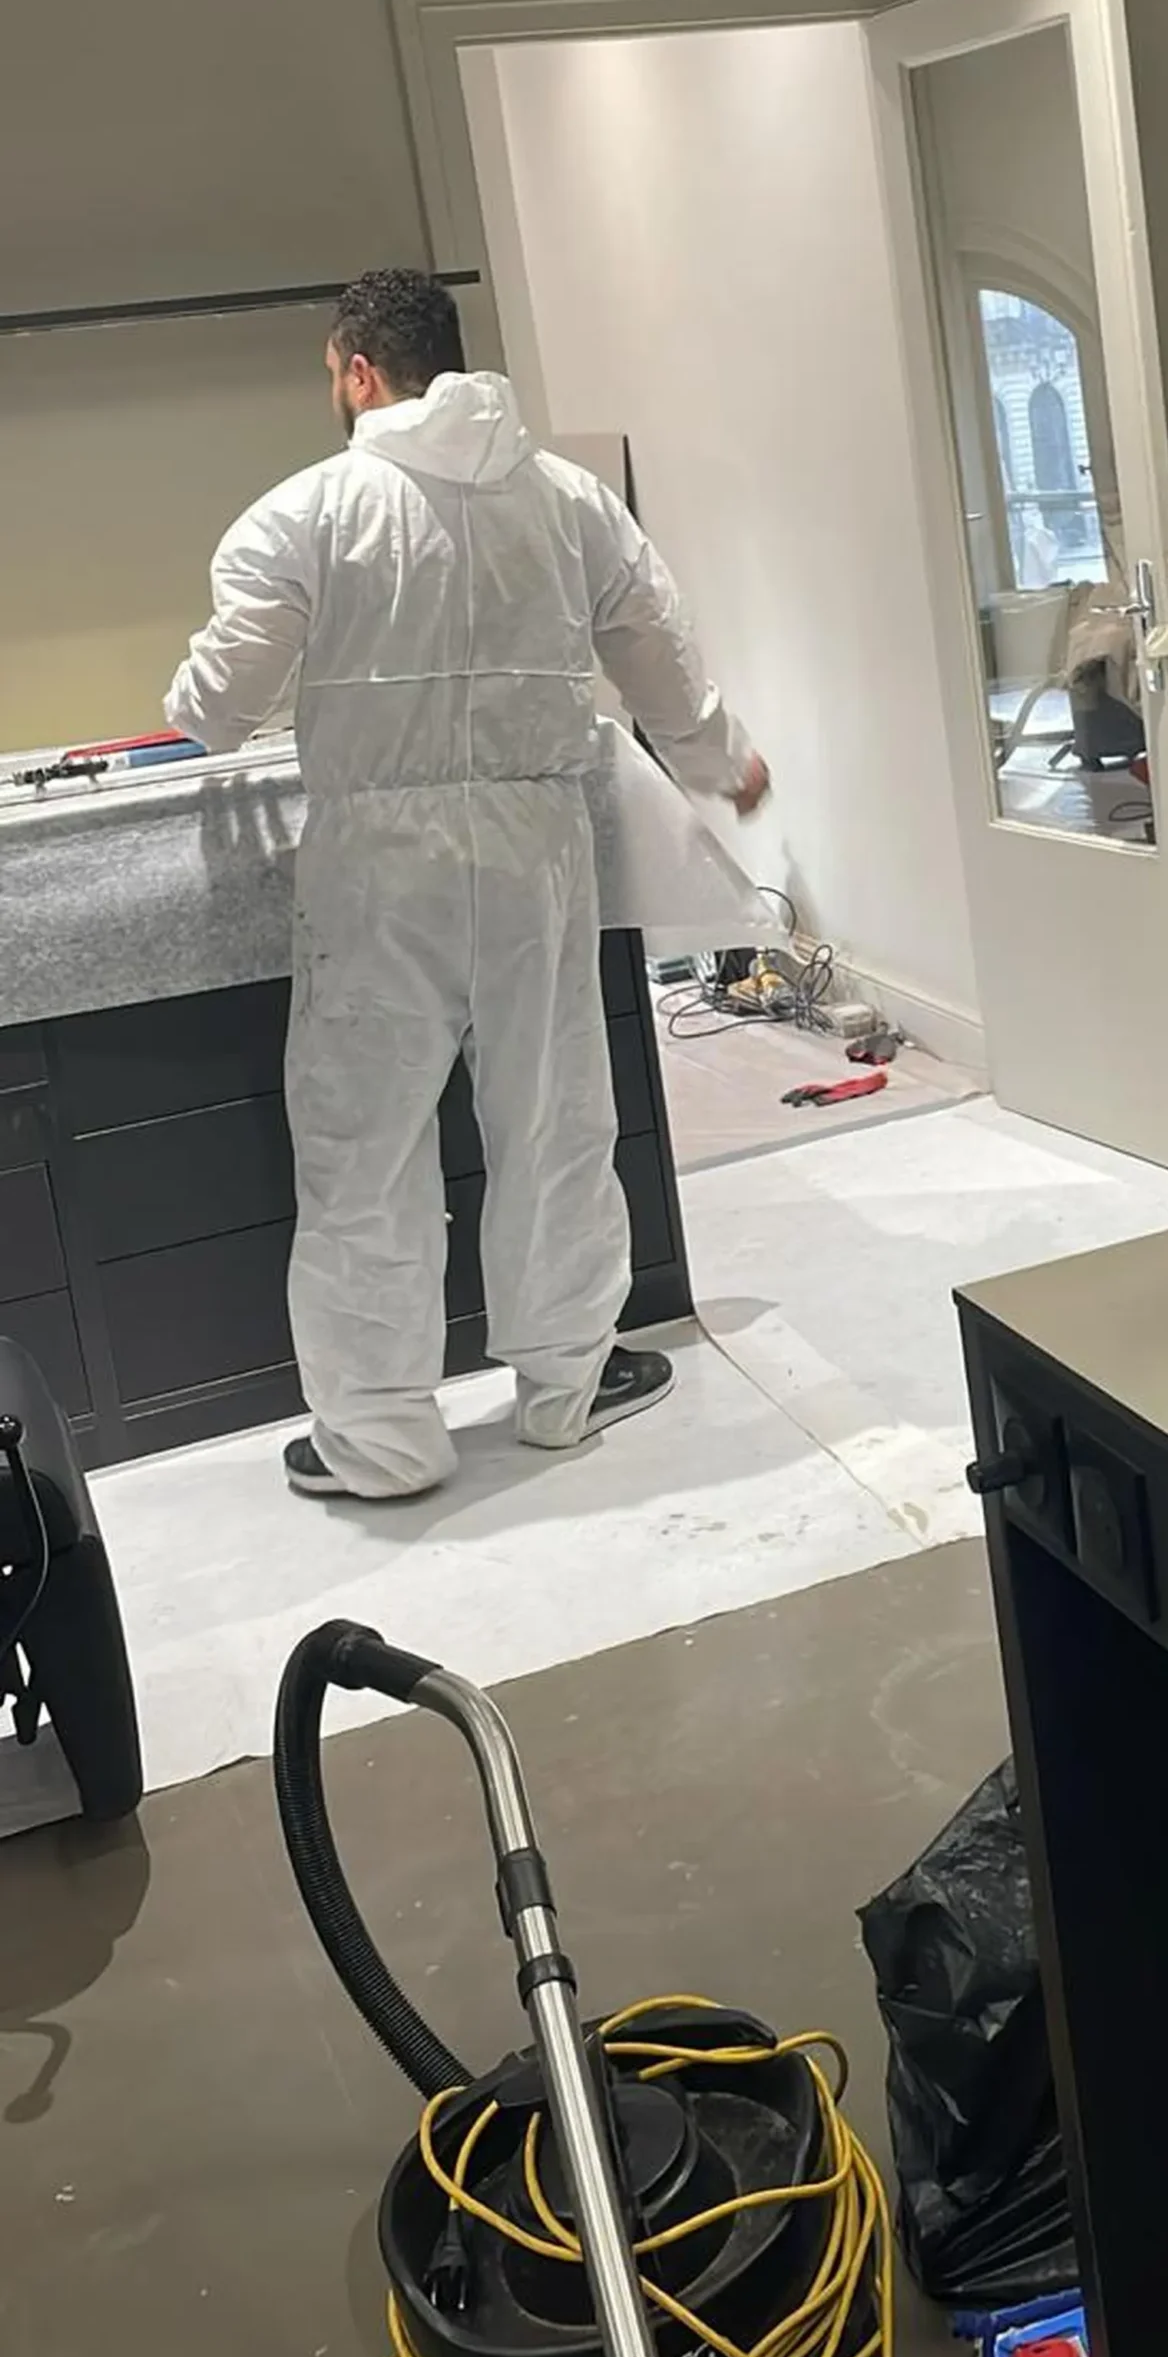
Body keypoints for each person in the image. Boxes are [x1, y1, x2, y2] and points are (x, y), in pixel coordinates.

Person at [166, 269, 768, 1504]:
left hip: (377, 867)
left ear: (357, 370)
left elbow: (215, 708)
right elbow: (658, 656)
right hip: (537, 843)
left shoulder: (302, 513)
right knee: (552, 1117)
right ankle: (564, 1388)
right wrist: (723, 761)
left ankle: (382, 1441)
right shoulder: (570, 500)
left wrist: (190, 696)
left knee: (366, 1142)